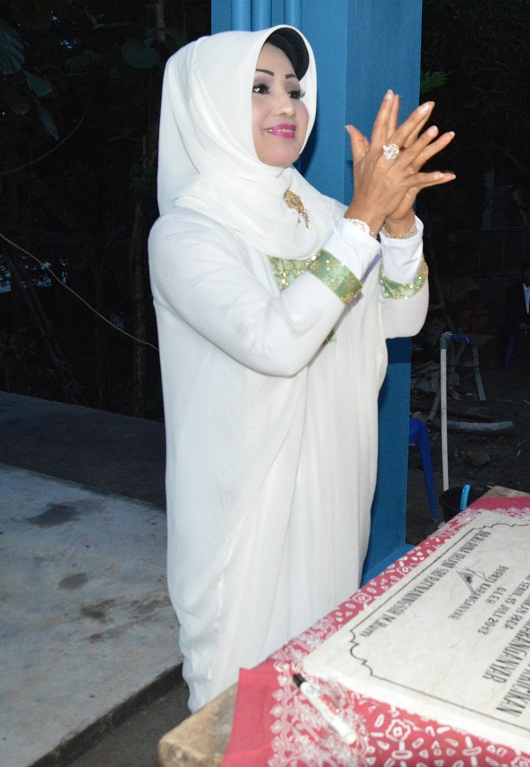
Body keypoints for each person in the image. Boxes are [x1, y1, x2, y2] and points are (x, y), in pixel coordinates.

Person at [147, 26, 455, 710]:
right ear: (210, 105)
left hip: (333, 480)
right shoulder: (188, 234)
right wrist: (366, 220)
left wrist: (399, 227)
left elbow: (400, 318)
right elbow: (277, 342)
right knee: (237, 689)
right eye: (259, 88)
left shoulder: (326, 216)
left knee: (315, 673)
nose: (286, 104)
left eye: (293, 87)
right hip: (244, 503)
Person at [500, 262, 530, 365]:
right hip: (518, 321)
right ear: (521, 273)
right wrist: (518, 323)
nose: (529, 275)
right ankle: (501, 362)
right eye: (526, 272)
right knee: (503, 331)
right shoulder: (513, 289)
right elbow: (509, 309)